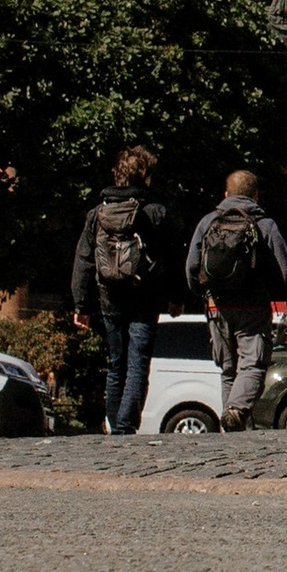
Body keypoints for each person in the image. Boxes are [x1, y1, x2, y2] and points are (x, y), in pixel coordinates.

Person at [68, 142, 180, 435]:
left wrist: (81, 305)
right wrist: (177, 297)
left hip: (110, 298)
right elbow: (171, 257)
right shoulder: (155, 212)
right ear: (145, 176)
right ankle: (125, 426)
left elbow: (83, 260)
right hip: (145, 297)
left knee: (116, 363)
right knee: (138, 363)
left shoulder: (97, 214)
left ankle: (114, 422)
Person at [185, 168, 287, 429]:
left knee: (228, 370)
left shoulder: (208, 222)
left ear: (226, 194)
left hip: (217, 306)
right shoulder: (264, 225)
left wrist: (201, 293)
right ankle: (236, 412)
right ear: (255, 196)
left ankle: (233, 427)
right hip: (253, 305)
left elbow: (191, 265)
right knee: (253, 365)